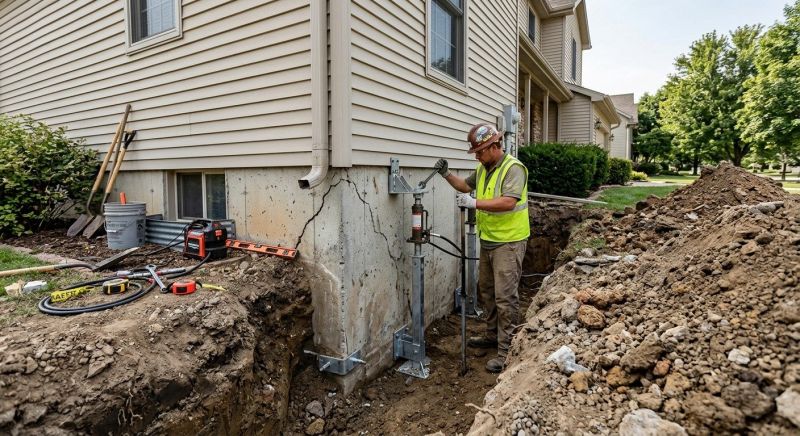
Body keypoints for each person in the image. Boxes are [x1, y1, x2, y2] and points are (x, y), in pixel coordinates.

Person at [434, 123, 530, 373]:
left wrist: (473, 203)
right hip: (489, 240)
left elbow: (509, 202)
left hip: (509, 242)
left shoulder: (514, 169)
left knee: (505, 297)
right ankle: (491, 336)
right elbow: (465, 187)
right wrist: (446, 174)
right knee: (486, 291)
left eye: (479, 151)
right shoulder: (484, 168)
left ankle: (506, 350)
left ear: (494, 146)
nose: (476, 156)